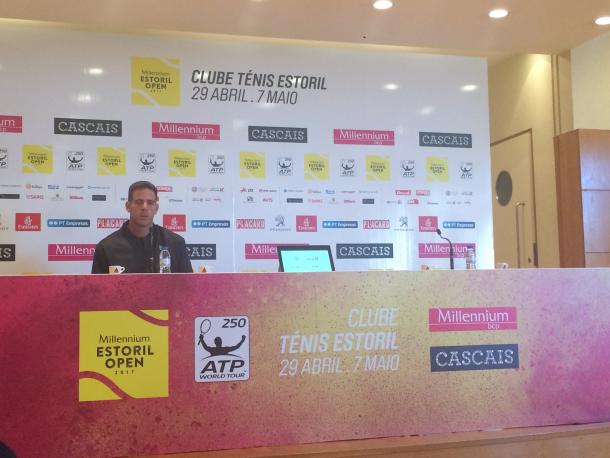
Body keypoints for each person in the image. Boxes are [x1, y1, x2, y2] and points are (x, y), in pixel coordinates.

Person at [91, 181, 193, 274]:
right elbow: (97, 291)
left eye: (150, 203)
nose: (144, 207)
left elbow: (188, 288)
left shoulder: (175, 243)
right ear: (128, 206)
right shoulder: (107, 247)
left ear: (156, 208)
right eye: (139, 202)